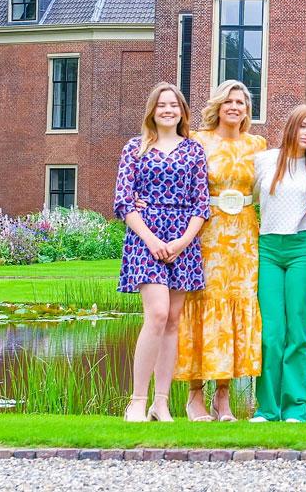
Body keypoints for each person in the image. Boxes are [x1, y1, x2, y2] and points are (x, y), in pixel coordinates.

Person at [114, 82, 210, 422]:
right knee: (155, 315)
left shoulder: (194, 150)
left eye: (174, 105)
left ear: (182, 112)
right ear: (152, 111)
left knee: (172, 321)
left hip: (183, 239)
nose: (168, 110)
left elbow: (202, 203)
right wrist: (152, 240)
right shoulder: (134, 148)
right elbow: (123, 201)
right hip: (145, 237)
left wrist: (184, 240)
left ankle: (161, 402)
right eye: (161, 105)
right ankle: (137, 401)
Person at [176, 80, 266, 422]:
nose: (235, 107)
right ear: (218, 105)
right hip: (207, 234)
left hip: (244, 236)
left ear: (247, 109)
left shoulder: (257, 145)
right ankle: (195, 395)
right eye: (229, 101)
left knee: (237, 308)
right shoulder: (198, 141)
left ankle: (223, 397)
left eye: (241, 102)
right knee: (204, 308)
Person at [249, 105, 306, 423]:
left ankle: (296, 408)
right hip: (268, 248)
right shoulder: (266, 160)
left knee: (298, 329)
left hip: (303, 249)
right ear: (291, 127)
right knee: (271, 332)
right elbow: (242, 195)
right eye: (303, 126)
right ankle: (267, 409)